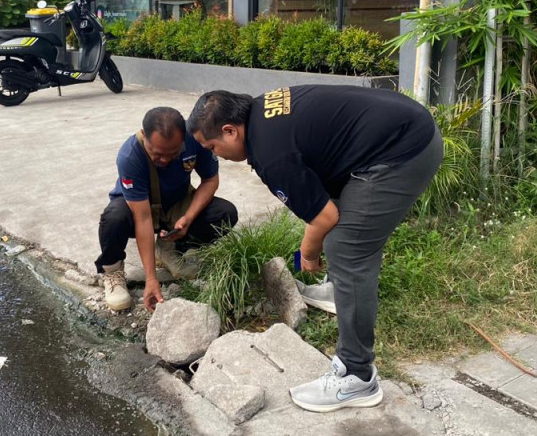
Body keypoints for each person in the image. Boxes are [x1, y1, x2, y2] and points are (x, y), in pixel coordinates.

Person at [188, 86, 442, 412]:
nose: (215, 155)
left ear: (230, 131)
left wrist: (306, 256)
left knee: (348, 248)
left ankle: (357, 375)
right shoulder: (262, 109)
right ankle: (338, 291)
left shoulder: (271, 154)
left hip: (403, 151)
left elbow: (324, 217)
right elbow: (320, 202)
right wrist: (306, 249)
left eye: (212, 147)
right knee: (335, 230)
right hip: (400, 127)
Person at [96, 106, 238, 312]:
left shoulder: (196, 139)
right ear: (144, 136)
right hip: (138, 207)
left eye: (173, 153)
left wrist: (188, 218)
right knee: (113, 218)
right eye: (157, 154)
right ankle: (113, 271)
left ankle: (171, 247)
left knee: (225, 213)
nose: (164, 160)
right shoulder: (129, 156)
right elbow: (143, 218)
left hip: (177, 203)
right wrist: (151, 279)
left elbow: (210, 180)